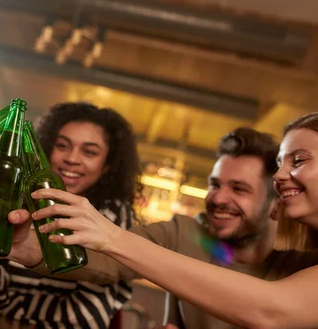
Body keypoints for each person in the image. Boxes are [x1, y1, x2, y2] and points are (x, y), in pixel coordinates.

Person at [31, 116, 318, 328]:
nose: (218, 199)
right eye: (215, 185)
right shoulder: (188, 233)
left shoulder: (300, 268)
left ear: (275, 204)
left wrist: (113, 237)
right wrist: (20, 243)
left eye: (239, 189)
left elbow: (270, 309)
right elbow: (102, 261)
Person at [0, 102, 140, 328]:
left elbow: (86, 317)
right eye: (62, 146)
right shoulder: (19, 200)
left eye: (89, 152)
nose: (72, 158)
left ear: (107, 166)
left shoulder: (112, 213)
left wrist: (11, 308)